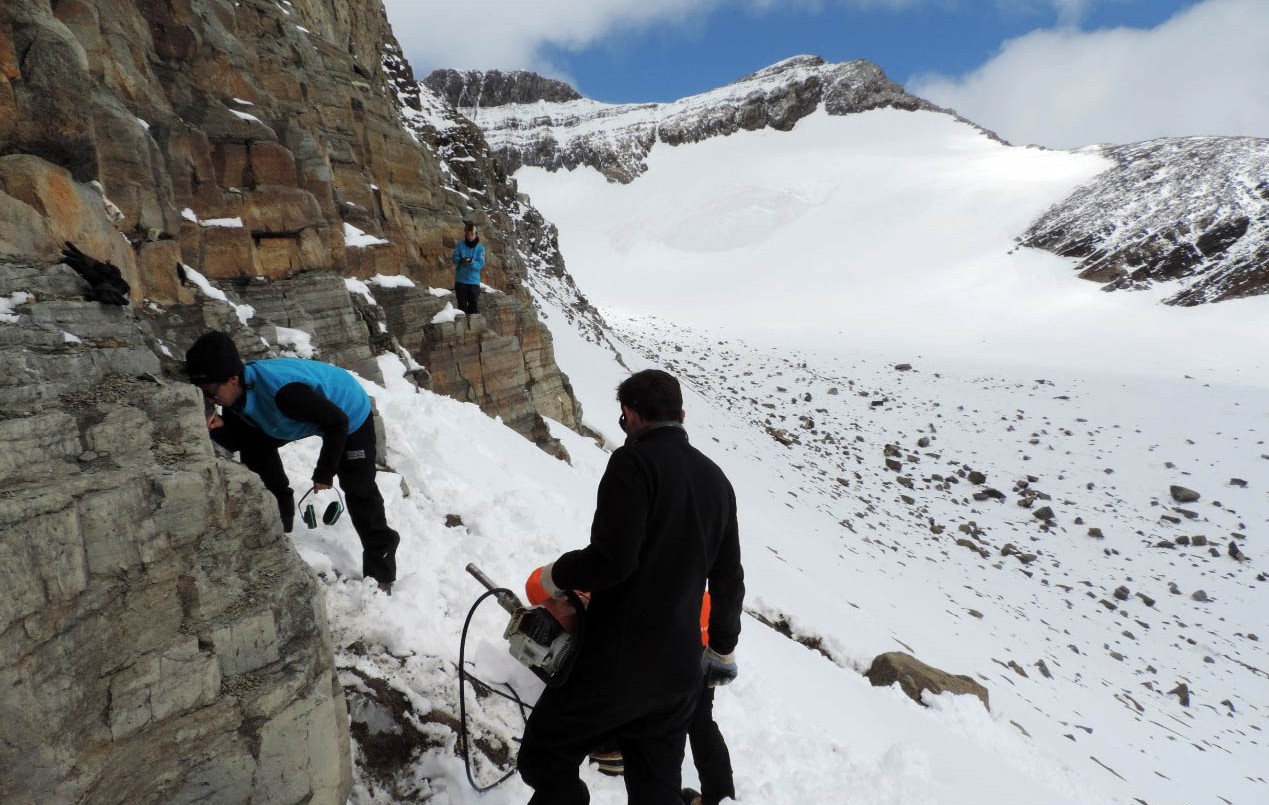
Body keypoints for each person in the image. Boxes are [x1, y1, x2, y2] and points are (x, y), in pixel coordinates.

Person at [517, 369, 745, 805]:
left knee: (544, 758)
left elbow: (613, 562)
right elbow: (729, 579)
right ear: (681, 414)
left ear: (630, 415)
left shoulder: (633, 462)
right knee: (656, 792)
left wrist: (556, 574)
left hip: (618, 662)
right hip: (680, 673)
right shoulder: (717, 481)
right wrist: (721, 648)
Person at [184, 331, 401, 591]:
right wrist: (217, 428)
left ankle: (381, 573)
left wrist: (324, 472)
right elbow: (238, 441)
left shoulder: (285, 394)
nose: (208, 400)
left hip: (347, 412)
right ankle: (281, 530)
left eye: (209, 392)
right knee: (255, 451)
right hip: (289, 418)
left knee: (359, 489)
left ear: (232, 379)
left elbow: (337, 422)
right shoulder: (234, 396)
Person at [451, 220, 486, 315]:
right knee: (461, 307)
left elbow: (481, 264)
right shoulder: (460, 245)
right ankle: (463, 327)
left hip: (473, 282)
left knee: (473, 307)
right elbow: (454, 258)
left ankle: (473, 327)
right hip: (460, 281)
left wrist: (472, 262)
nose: (470, 236)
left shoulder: (480, 248)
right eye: (468, 234)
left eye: (472, 234)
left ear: (476, 234)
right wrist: (460, 260)